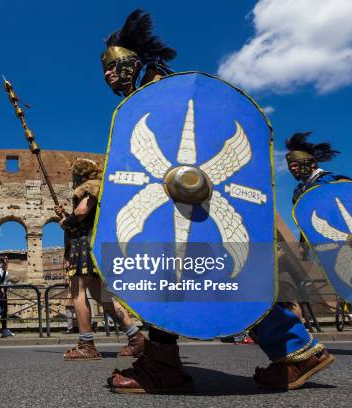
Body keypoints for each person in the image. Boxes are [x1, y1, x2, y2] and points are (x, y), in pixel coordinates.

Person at [102, 9, 334, 393]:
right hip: (184, 206)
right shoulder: (150, 99)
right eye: (104, 68)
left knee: (193, 271)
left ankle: (164, 365)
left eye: (114, 64)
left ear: (137, 61)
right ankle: (296, 349)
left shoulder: (164, 97)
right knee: (217, 275)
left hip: (194, 203)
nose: (108, 74)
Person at [54, 158, 145, 360]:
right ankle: (136, 337)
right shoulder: (99, 187)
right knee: (102, 296)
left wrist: (66, 221)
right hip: (92, 245)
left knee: (78, 292)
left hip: (83, 247)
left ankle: (87, 344)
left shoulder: (91, 187)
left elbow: (82, 212)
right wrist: (65, 216)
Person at [285, 132, 349, 204]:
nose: (292, 169)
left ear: (312, 164)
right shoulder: (298, 191)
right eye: (290, 167)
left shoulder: (333, 179)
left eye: (295, 165)